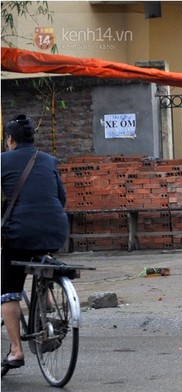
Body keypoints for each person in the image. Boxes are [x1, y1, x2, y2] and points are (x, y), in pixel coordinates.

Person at [1, 114, 68, 370]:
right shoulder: (49, 160)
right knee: (41, 254)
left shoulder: (3, 161)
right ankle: (46, 293)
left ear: (10, 139)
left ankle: (16, 351)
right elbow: (60, 198)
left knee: (8, 290)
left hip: (19, 234)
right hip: (55, 229)